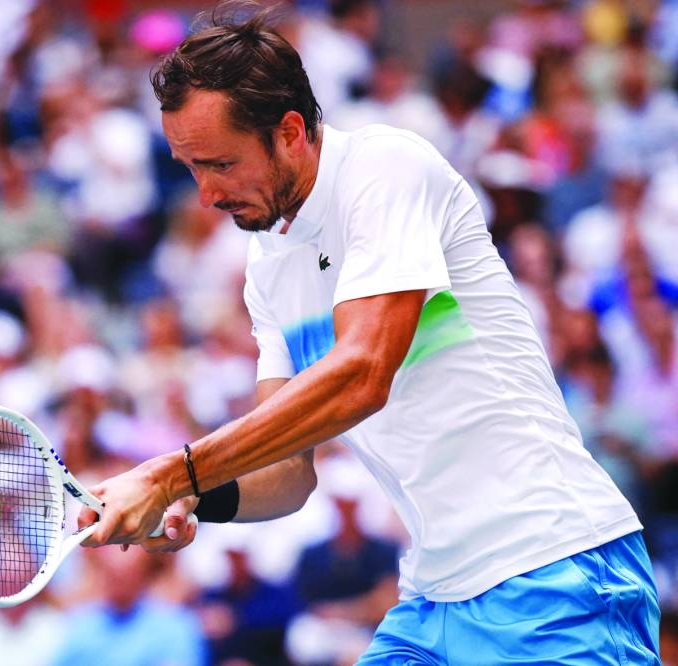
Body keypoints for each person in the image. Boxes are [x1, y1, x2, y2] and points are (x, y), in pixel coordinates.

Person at [78, 4, 662, 663]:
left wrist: (166, 473)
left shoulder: (384, 168)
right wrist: (187, 494)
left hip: (556, 570)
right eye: (190, 167)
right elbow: (286, 472)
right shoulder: (267, 265)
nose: (206, 194)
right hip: (435, 601)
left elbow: (363, 373)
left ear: (289, 132)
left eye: (220, 164)